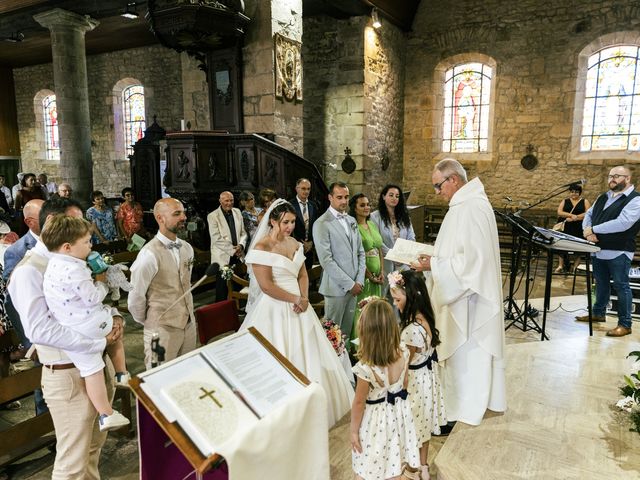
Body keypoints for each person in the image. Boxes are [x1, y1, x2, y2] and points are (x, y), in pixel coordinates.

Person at [8, 197, 125, 479]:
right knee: (72, 463)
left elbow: (89, 302)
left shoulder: (75, 259)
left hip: (96, 366)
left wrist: (114, 317)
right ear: (53, 224)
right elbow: (39, 331)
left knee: (91, 454)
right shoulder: (29, 270)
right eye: (76, 223)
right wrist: (98, 341)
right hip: (67, 375)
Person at [240, 199, 354, 427]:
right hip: (276, 306)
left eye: (292, 222)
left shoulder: (294, 243)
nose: (290, 227)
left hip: (300, 305)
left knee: (311, 353)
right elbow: (267, 286)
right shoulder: (261, 248)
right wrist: (294, 299)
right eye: (285, 222)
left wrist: (303, 298)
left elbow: (302, 274)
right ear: (273, 221)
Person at [412, 158, 506, 426]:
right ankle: (458, 402)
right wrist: (434, 260)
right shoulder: (464, 205)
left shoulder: (472, 207)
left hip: (469, 302)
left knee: (466, 355)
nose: (437, 192)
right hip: (461, 296)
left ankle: (463, 405)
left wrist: (435, 264)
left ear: (453, 179)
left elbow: (473, 265)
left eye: (438, 186)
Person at [41, 215, 130, 431]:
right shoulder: (75, 268)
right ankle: (120, 379)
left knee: (92, 369)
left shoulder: (52, 265)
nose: (91, 246)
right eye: (87, 242)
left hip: (70, 327)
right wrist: (102, 282)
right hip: (89, 323)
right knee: (114, 330)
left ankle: (106, 411)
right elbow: (92, 298)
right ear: (68, 247)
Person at [350, 298, 420, 480]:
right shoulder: (404, 352)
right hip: (398, 415)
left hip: (375, 421)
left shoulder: (365, 368)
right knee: (393, 462)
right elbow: (404, 383)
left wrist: (353, 431)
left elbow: (359, 403)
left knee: (368, 464)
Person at [390, 270, 447, 479]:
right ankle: (423, 465)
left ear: (411, 296)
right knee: (422, 427)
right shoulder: (424, 319)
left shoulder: (410, 330)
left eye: (397, 299)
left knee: (412, 426)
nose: (395, 304)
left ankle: (413, 468)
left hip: (414, 384)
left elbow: (403, 366)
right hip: (427, 379)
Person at [128, 198, 197, 369]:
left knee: (187, 374)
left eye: (183, 212)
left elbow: (184, 283)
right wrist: (151, 321)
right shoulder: (148, 255)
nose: (183, 217)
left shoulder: (187, 248)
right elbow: (136, 296)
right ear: (160, 218)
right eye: (177, 214)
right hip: (161, 328)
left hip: (188, 323)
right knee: (159, 378)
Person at [577, 165, 640, 337]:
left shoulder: (635, 199)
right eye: (610, 176)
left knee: (621, 286)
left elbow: (623, 222)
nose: (611, 179)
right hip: (598, 248)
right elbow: (588, 215)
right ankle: (598, 313)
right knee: (600, 283)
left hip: (619, 251)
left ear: (627, 179)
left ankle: (625, 324)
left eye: (617, 176)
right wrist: (587, 232)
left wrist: (593, 229)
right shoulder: (603, 197)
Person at [313, 182, 366, 338]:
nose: (344, 201)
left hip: (355, 287)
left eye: (346, 197)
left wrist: (359, 281)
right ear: (330, 197)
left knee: (347, 332)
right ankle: (331, 363)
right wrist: (350, 284)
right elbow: (326, 261)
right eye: (339, 197)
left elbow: (361, 253)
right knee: (333, 336)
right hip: (336, 288)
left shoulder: (351, 220)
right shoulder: (321, 223)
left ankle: (345, 362)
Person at [349, 193, 384, 344]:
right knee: (362, 311)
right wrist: (369, 275)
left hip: (378, 273)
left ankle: (374, 342)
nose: (367, 207)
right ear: (355, 208)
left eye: (368, 204)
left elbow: (379, 249)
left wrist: (382, 271)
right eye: (362, 205)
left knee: (375, 310)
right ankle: (360, 345)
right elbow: (357, 254)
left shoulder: (372, 224)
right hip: (364, 276)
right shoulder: (354, 227)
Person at [371, 184, 416, 296]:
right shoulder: (375, 217)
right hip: (385, 263)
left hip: (403, 263)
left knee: (401, 297)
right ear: (383, 197)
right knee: (383, 297)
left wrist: (404, 256)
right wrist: (393, 255)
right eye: (391, 195)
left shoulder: (404, 216)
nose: (394, 198)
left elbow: (411, 237)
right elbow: (377, 241)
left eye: (397, 196)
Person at [207, 191, 248, 301]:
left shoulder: (237, 212)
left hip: (238, 253)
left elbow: (243, 233)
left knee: (238, 284)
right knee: (222, 287)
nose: (229, 203)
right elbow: (216, 238)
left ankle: (237, 309)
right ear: (220, 201)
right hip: (223, 255)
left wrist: (241, 245)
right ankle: (220, 311)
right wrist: (232, 250)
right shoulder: (213, 216)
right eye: (226, 200)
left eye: (231, 200)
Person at [555, 183, 590, 273]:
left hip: (578, 227)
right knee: (562, 245)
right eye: (572, 192)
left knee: (578, 246)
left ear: (580, 193)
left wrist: (575, 218)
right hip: (565, 227)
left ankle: (575, 266)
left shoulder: (584, 201)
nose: (574, 194)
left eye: (576, 192)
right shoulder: (565, 201)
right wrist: (571, 216)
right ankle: (560, 265)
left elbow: (588, 213)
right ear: (569, 192)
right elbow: (559, 212)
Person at [289, 178, 319, 270]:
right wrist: (300, 244)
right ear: (296, 189)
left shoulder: (313, 205)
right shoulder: (290, 204)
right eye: (303, 188)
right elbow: (288, 228)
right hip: (295, 248)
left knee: (309, 275)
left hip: (309, 249)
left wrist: (311, 242)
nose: (306, 191)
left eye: (308, 189)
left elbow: (316, 226)